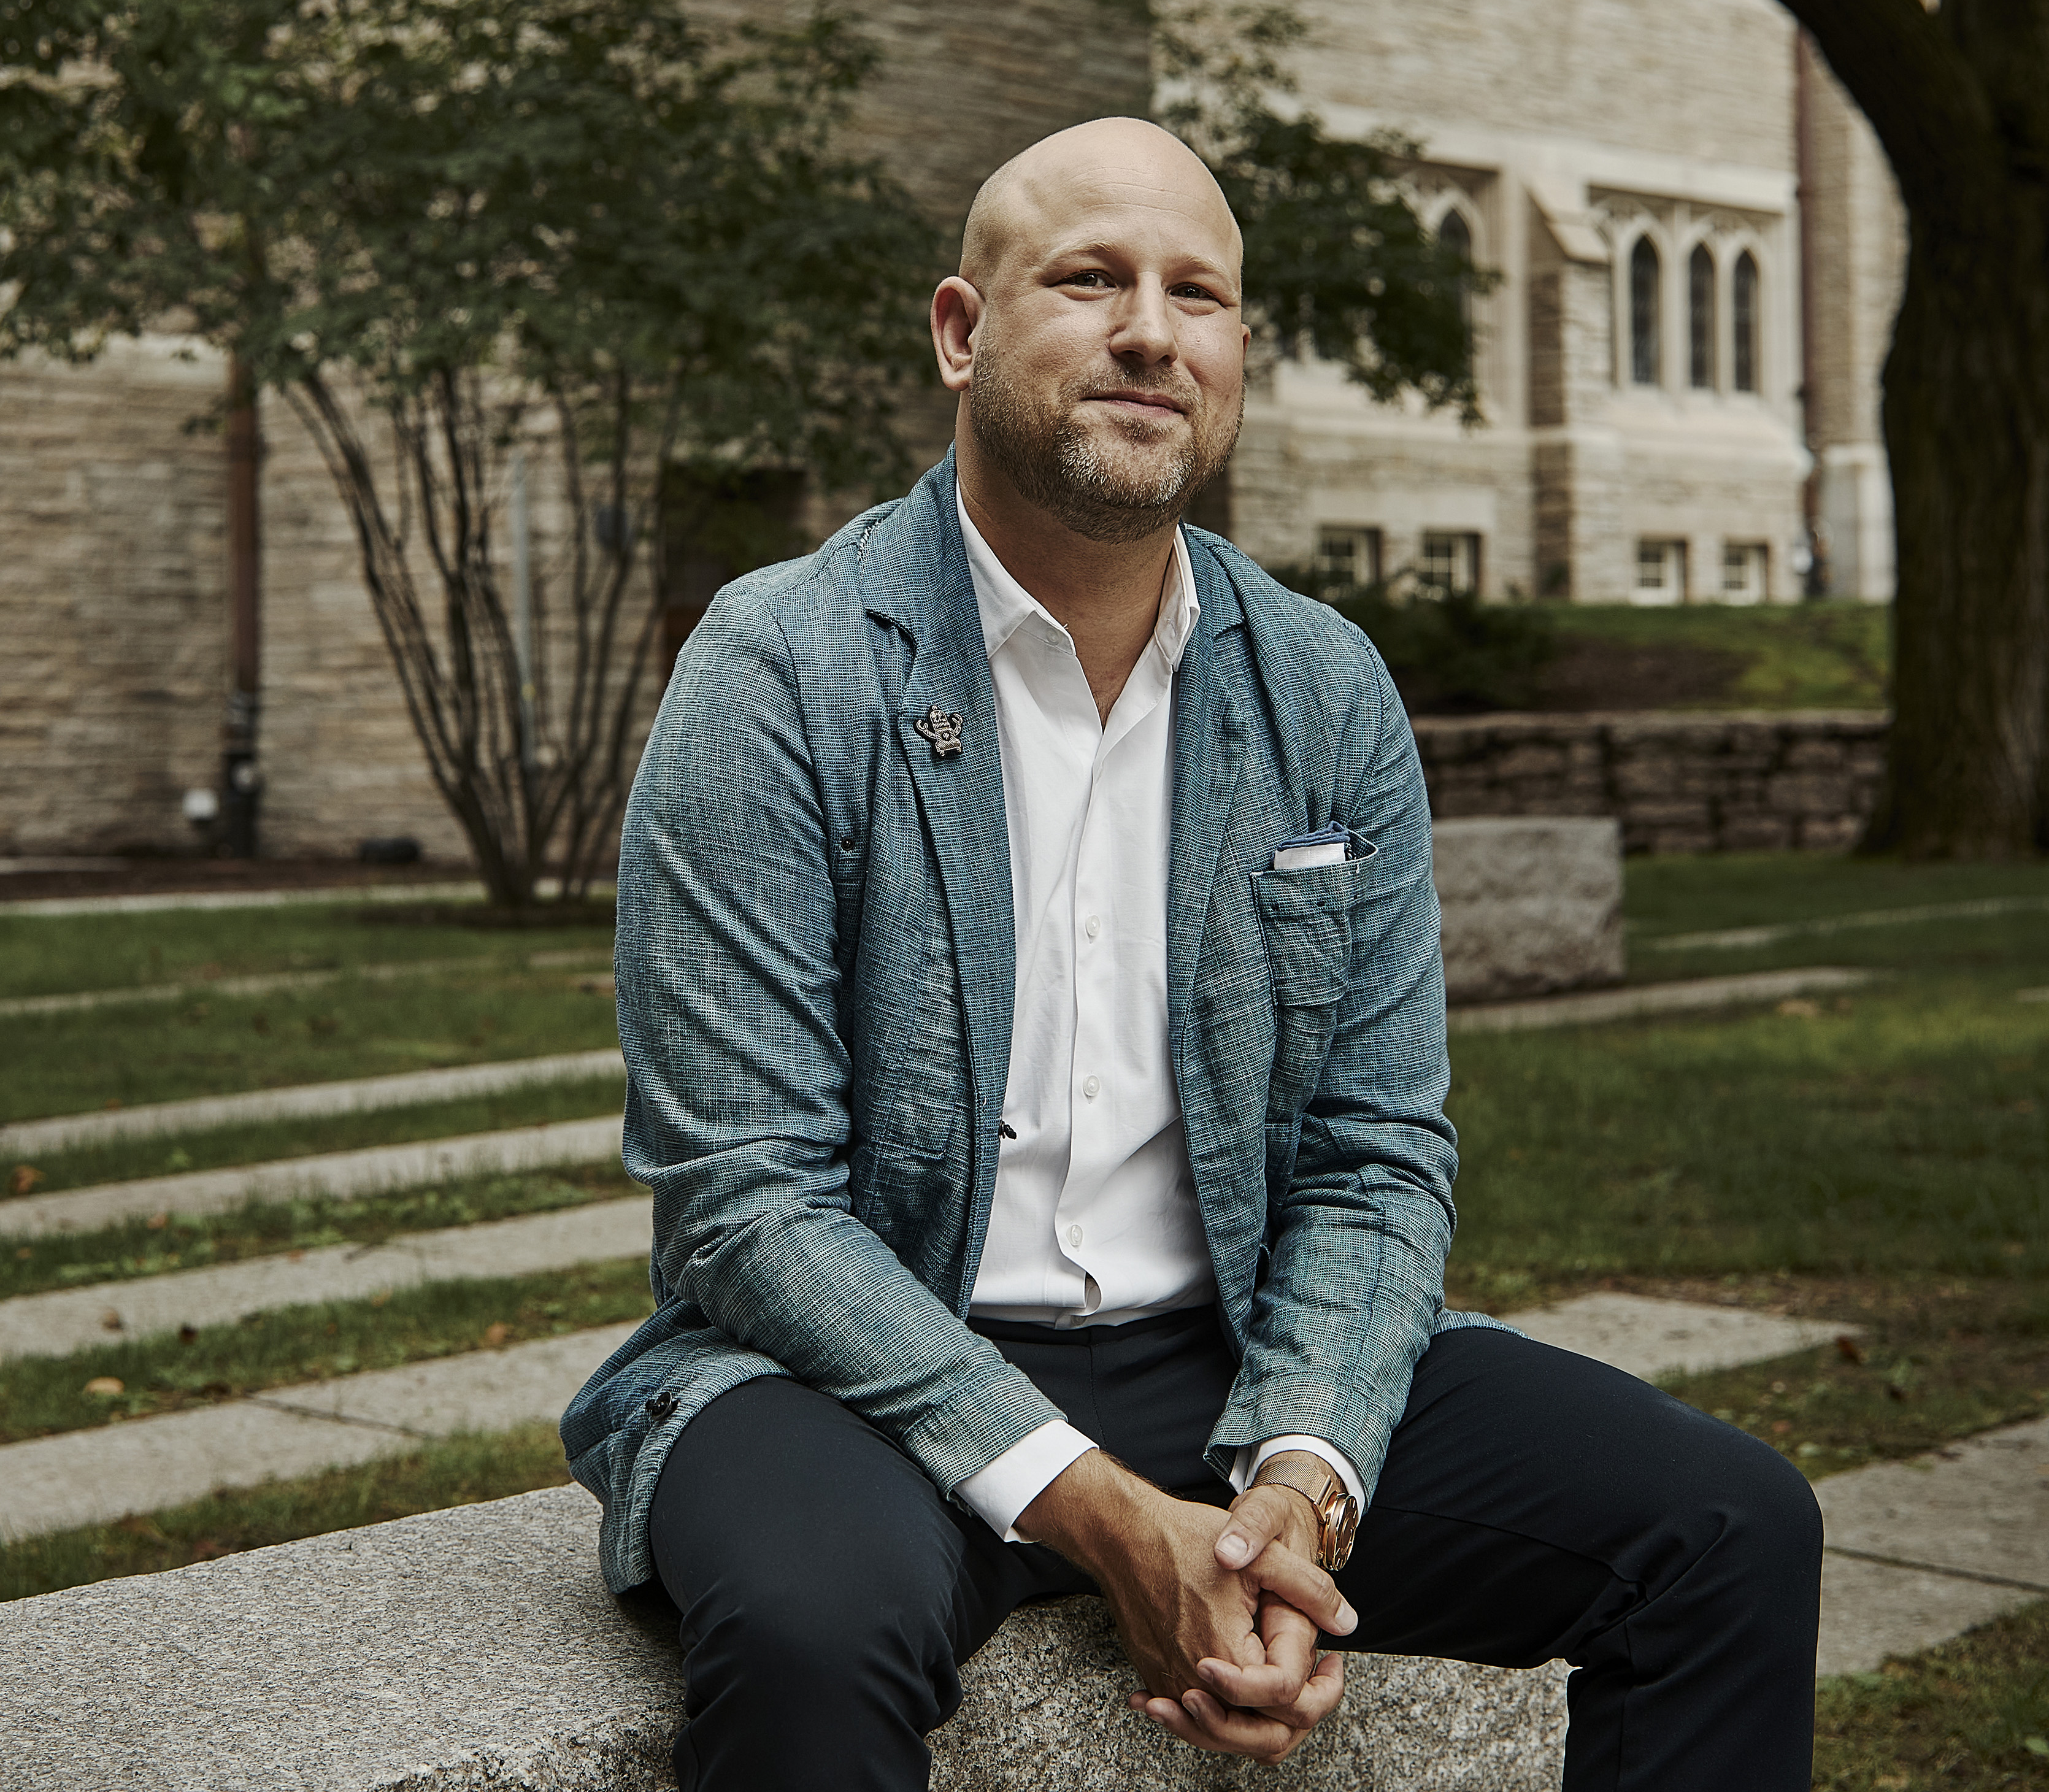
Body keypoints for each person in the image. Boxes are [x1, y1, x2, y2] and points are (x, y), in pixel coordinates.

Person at [560, 118, 1821, 1790]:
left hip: (1215, 1341)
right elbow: (745, 1199)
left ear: (1232, 356)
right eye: (1087, 281)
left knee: (1728, 1525)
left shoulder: (1319, 686)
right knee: (815, 1630)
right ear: (959, 331)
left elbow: (1377, 1152)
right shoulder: (782, 666)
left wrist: (1297, 1489)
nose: (1149, 331)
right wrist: (1101, 1514)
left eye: (1197, 295)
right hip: (838, 1369)